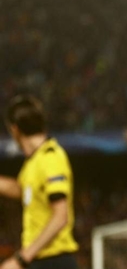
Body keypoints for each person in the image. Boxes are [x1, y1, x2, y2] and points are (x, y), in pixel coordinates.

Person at [0, 95, 79, 269]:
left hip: (54, 260)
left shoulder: (51, 158)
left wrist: (21, 259)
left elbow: (60, 216)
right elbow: (21, 189)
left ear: (15, 130)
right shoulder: (34, 161)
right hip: (40, 259)